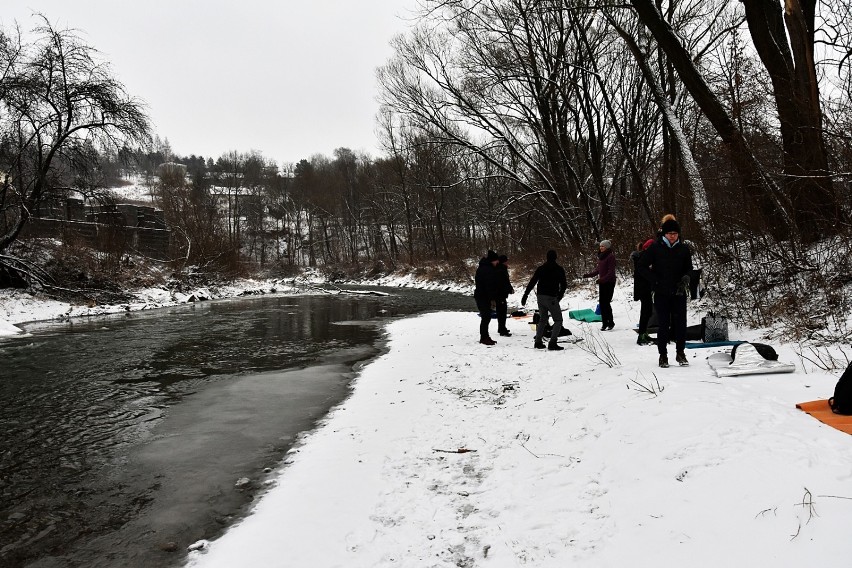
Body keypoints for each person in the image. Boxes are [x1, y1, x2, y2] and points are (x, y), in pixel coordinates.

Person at [638, 217, 693, 368]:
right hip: (661, 292)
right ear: (664, 234)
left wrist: (687, 277)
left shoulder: (683, 249)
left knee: (681, 324)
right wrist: (654, 280)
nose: (673, 236)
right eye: (670, 233)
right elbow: (641, 266)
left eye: (675, 233)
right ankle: (663, 355)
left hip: (679, 292)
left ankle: (680, 353)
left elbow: (689, 268)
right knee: (663, 324)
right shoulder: (655, 248)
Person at [521, 250, 568, 351]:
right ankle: (552, 343)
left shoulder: (541, 268)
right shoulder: (559, 269)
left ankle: (538, 342)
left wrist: (526, 294)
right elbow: (564, 285)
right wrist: (559, 296)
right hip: (551, 297)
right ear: (556, 257)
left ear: (546, 257)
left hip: (540, 297)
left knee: (543, 319)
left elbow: (533, 281)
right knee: (558, 320)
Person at [582, 240, 616, 331]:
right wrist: (588, 275)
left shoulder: (610, 257)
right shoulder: (601, 257)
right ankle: (604, 323)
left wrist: (602, 279)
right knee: (602, 303)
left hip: (609, 282)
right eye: (600, 246)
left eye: (603, 246)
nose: (601, 248)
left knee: (606, 302)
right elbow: (598, 270)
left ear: (607, 247)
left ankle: (610, 322)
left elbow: (611, 272)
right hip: (602, 282)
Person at [630, 239, 655, 345]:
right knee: (646, 311)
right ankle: (641, 335)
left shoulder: (643, 256)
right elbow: (644, 274)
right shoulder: (643, 257)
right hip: (643, 288)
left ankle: (644, 333)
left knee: (648, 311)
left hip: (645, 288)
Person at [474, 250, 500, 345]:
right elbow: (489, 285)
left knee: (486, 317)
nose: (497, 262)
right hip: (483, 296)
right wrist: (493, 297)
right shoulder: (487, 269)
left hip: (482, 296)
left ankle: (485, 336)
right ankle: (484, 338)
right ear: (492, 260)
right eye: (496, 260)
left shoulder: (485, 268)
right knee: (486, 317)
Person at [495, 254, 513, 336]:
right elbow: (503, 283)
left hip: (500, 294)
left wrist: (510, 288)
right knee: (502, 312)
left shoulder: (501, 269)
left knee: (501, 312)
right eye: (506, 261)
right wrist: (509, 289)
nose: (507, 262)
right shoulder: (500, 270)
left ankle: (501, 328)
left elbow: (506, 282)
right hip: (500, 294)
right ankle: (502, 329)